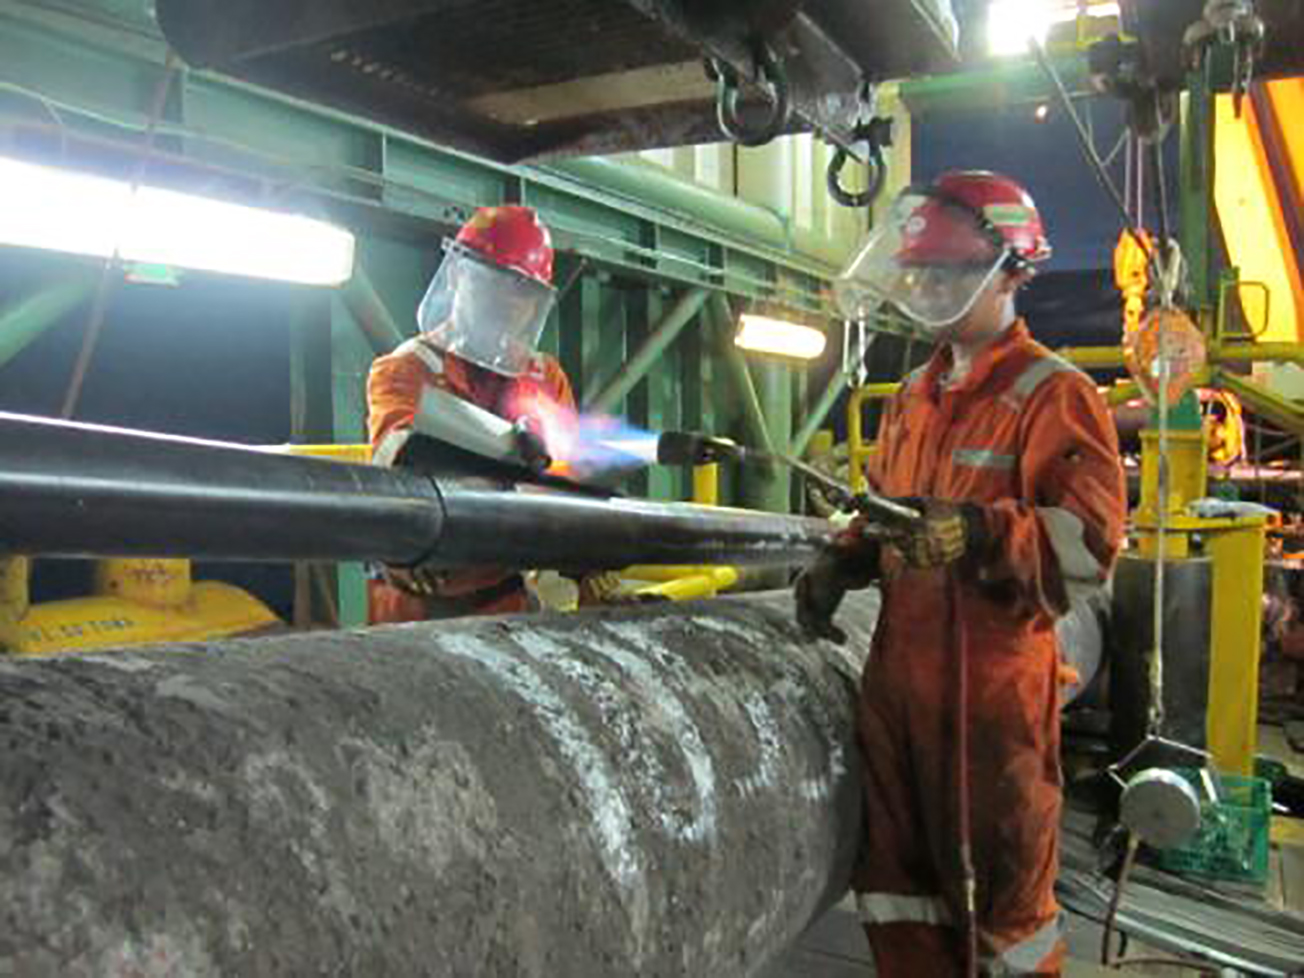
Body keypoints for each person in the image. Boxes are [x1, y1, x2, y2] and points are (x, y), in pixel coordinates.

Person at [798, 171, 1127, 976]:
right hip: (899, 693)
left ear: (1009, 273)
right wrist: (849, 557)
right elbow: (889, 507)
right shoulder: (913, 395)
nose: (928, 291)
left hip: (991, 705)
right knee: (899, 896)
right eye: (920, 275)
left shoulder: (1053, 394)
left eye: (946, 274)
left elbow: (1089, 546)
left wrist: (981, 532)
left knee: (1005, 918)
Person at [366, 205, 581, 623]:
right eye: (492, 284)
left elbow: (572, 488)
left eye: (522, 291)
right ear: (457, 275)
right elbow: (397, 461)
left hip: (508, 596)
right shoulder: (407, 369)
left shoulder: (545, 378)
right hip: (419, 602)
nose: (507, 303)